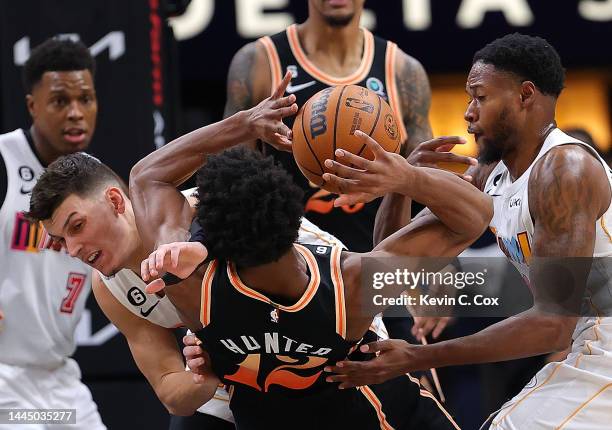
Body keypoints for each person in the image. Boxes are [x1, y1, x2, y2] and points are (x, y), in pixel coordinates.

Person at [127, 73, 491, 429]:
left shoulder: (191, 289)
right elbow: (475, 216)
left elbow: (149, 176)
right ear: (293, 216)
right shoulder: (350, 286)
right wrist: (407, 179)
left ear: (214, 239)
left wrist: (245, 123)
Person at [323, 33, 612, 430]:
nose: (468, 113)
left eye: (479, 97)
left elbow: (551, 324)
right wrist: (401, 185)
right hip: (591, 343)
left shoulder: (564, 170)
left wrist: (417, 356)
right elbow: (398, 268)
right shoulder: (488, 175)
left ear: (525, 96)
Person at [25, 79, 345, 430]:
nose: (72, 250)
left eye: (76, 227)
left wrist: (246, 124)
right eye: (60, 240)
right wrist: (202, 376)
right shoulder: (109, 287)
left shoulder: (199, 215)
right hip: (252, 357)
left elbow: (152, 176)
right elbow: (168, 388)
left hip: (325, 324)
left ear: (116, 201)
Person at [225, 0, 475, 357]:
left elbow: (426, 184)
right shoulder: (260, 62)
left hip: (378, 273)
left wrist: (442, 267)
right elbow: (227, 181)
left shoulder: (401, 71)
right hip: (288, 275)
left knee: (409, 397)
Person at [0, 38, 105, 429]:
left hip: (58, 378)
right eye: (61, 101)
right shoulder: (5, 159)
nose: (76, 113)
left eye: (86, 99)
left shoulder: (95, 177)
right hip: (4, 380)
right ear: (33, 106)